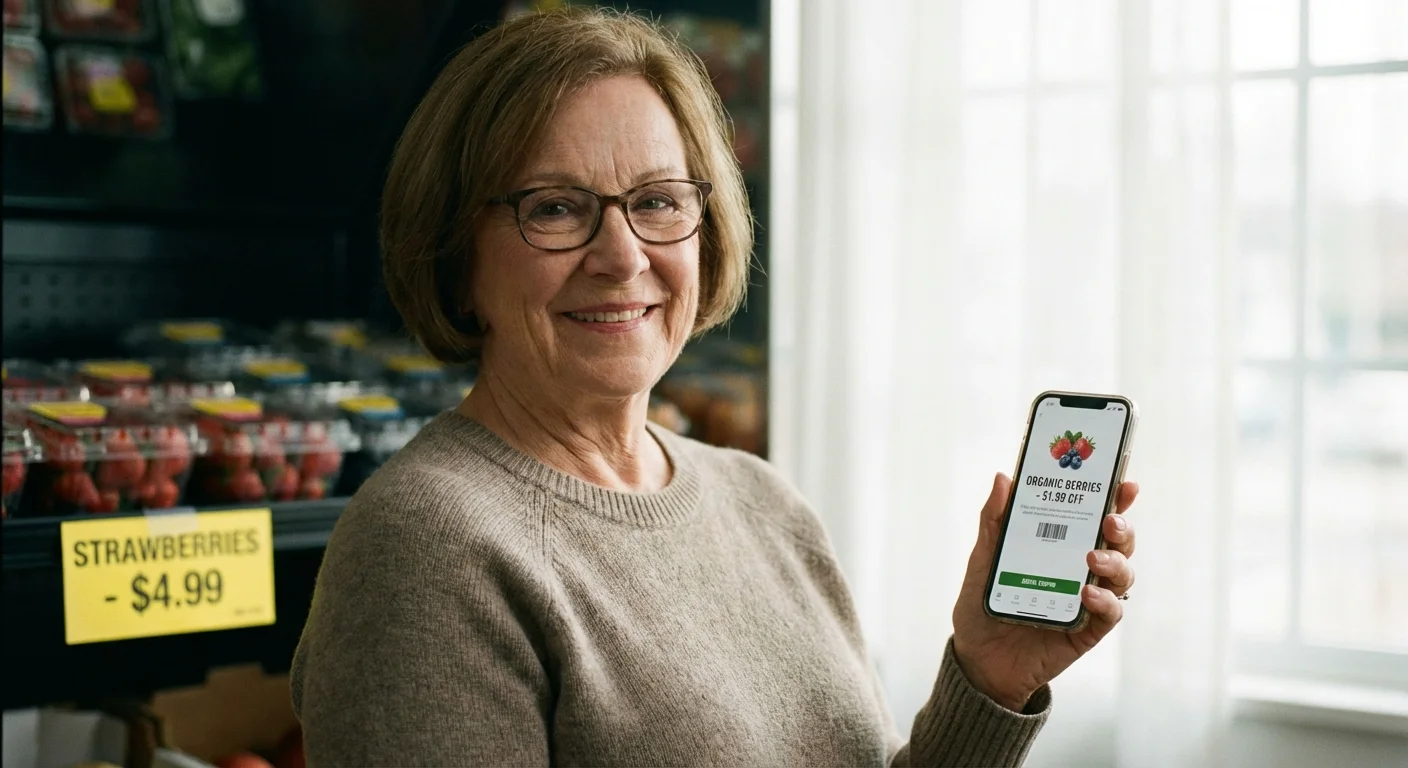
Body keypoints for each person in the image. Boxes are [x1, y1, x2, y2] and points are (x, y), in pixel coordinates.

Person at [290, 7, 1140, 767]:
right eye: (554, 208)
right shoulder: (426, 547)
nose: (623, 256)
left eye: (658, 202)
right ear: (453, 246)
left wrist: (989, 676)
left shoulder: (765, 504)